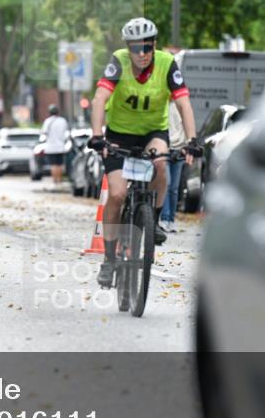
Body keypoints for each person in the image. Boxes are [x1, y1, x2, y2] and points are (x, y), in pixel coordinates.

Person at [86, 18, 202, 288]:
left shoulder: (167, 64)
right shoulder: (119, 61)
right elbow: (100, 98)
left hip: (153, 132)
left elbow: (184, 104)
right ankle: (109, 259)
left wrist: (192, 140)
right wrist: (97, 135)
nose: (142, 54)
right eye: (135, 48)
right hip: (119, 135)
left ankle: (154, 221)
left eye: (147, 48)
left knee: (160, 163)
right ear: (128, 48)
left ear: (154, 45)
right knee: (117, 194)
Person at [160, 100, 188, 233]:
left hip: (179, 150)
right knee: (167, 184)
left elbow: (187, 126)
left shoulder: (182, 105)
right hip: (165, 149)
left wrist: (186, 147)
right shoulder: (162, 104)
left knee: (174, 188)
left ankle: (171, 220)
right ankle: (164, 218)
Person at [40, 104, 69, 186]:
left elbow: (44, 132)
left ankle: (54, 181)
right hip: (61, 146)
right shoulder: (63, 121)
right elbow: (66, 131)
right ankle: (59, 181)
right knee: (59, 165)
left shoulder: (47, 121)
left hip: (51, 147)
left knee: (53, 165)